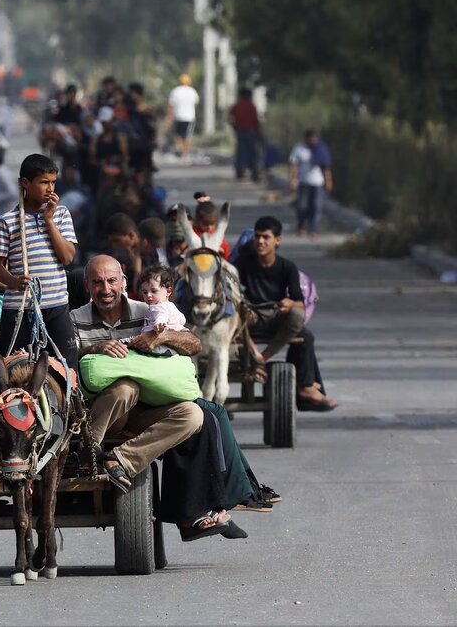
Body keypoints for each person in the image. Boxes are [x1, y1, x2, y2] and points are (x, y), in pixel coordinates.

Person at [72, 255, 230, 540]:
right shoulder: (75, 319)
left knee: (194, 415)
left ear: (123, 283)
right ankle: (87, 449)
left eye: (111, 281)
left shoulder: (150, 309)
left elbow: (194, 343)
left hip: (146, 410)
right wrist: (94, 350)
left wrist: (161, 337)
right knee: (125, 387)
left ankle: (121, 459)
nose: (105, 289)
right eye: (97, 282)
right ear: (87, 286)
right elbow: (63, 361)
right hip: (102, 414)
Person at [234, 216, 337, 411]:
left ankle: (304, 386)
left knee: (304, 333)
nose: (261, 241)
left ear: (277, 240)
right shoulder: (243, 263)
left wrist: (289, 303)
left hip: (275, 317)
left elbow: (299, 303)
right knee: (229, 315)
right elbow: (232, 295)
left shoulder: (287, 267)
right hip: (249, 319)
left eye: (266, 237)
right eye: (257, 237)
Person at [0, 154, 78, 367]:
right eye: (44, 182)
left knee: (68, 370)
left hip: (56, 305)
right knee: (9, 368)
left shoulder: (61, 214)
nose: (50, 189)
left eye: (53, 182)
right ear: (25, 183)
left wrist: (48, 219)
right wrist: (12, 282)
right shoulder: (8, 221)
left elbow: (67, 257)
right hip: (19, 308)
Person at [289, 129, 333, 240]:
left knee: (316, 207)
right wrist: (293, 180)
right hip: (303, 182)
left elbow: (326, 167)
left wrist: (328, 181)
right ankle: (301, 226)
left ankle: (314, 230)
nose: (313, 140)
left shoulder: (321, 149)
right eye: (311, 138)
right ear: (306, 139)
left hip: (318, 183)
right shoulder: (299, 149)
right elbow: (294, 165)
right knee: (302, 206)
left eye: (315, 138)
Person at [228, 88, 260, 181]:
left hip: (240, 131)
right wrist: (258, 130)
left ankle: (240, 171)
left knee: (240, 151)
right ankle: (254, 172)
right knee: (252, 152)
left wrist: (233, 126)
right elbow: (256, 119)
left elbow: (229, 117)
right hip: (251, 131)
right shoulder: (252, 105)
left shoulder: (237, 105)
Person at [167, 74, 199, 160]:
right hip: (189, 117)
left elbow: (171, 105)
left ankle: (180, 151)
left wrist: (169, 116)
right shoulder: (192, 91)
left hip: (178, 116)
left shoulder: (175, 91)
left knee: (178, 135)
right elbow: (196, 103)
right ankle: (185, 154)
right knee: (188, 136)